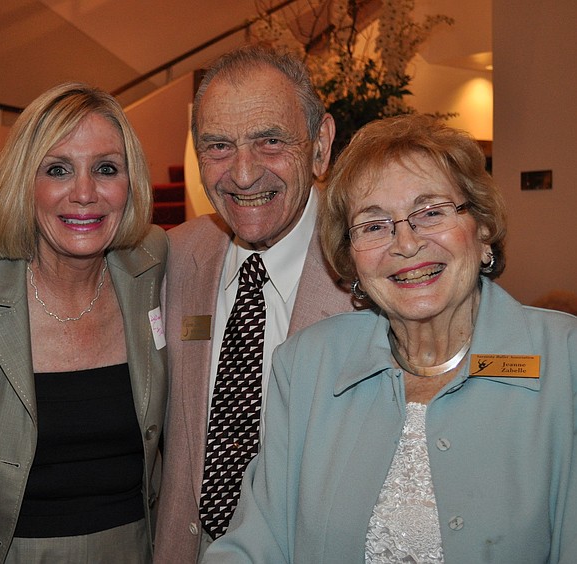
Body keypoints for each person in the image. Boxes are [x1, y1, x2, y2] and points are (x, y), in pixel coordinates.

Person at [204, 114, 577, 562]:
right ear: (352, 259)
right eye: (374, 225)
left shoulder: (565, 360)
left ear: (482, 231)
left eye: (431, 212)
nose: (405, 243)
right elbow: (255, 544)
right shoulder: (307, 364)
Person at [0, 82, 167, 563]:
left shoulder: (151, 266)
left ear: (130, 183)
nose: (84, 193)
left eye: (106, 169)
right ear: (23, 182)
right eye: (58, 169)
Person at [154, 44, 354, 562]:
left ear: (320, 145)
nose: (243, 175)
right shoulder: (172, 258)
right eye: (218, 146)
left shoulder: (369, 274)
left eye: (269, 142)